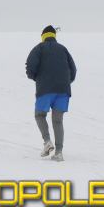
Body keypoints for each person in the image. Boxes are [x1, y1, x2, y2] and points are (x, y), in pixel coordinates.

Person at [25, 25, 77, 162]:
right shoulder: (63, 49)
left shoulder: (39, 48)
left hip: (45, 89)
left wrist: (37, 78)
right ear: (54, 36)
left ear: (43, 36)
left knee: (39, 115)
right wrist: (66, 82)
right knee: (58, 120)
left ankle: (47, 141)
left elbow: (30, 67)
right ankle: (59, 152)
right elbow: (73, 69)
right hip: (63, 90)